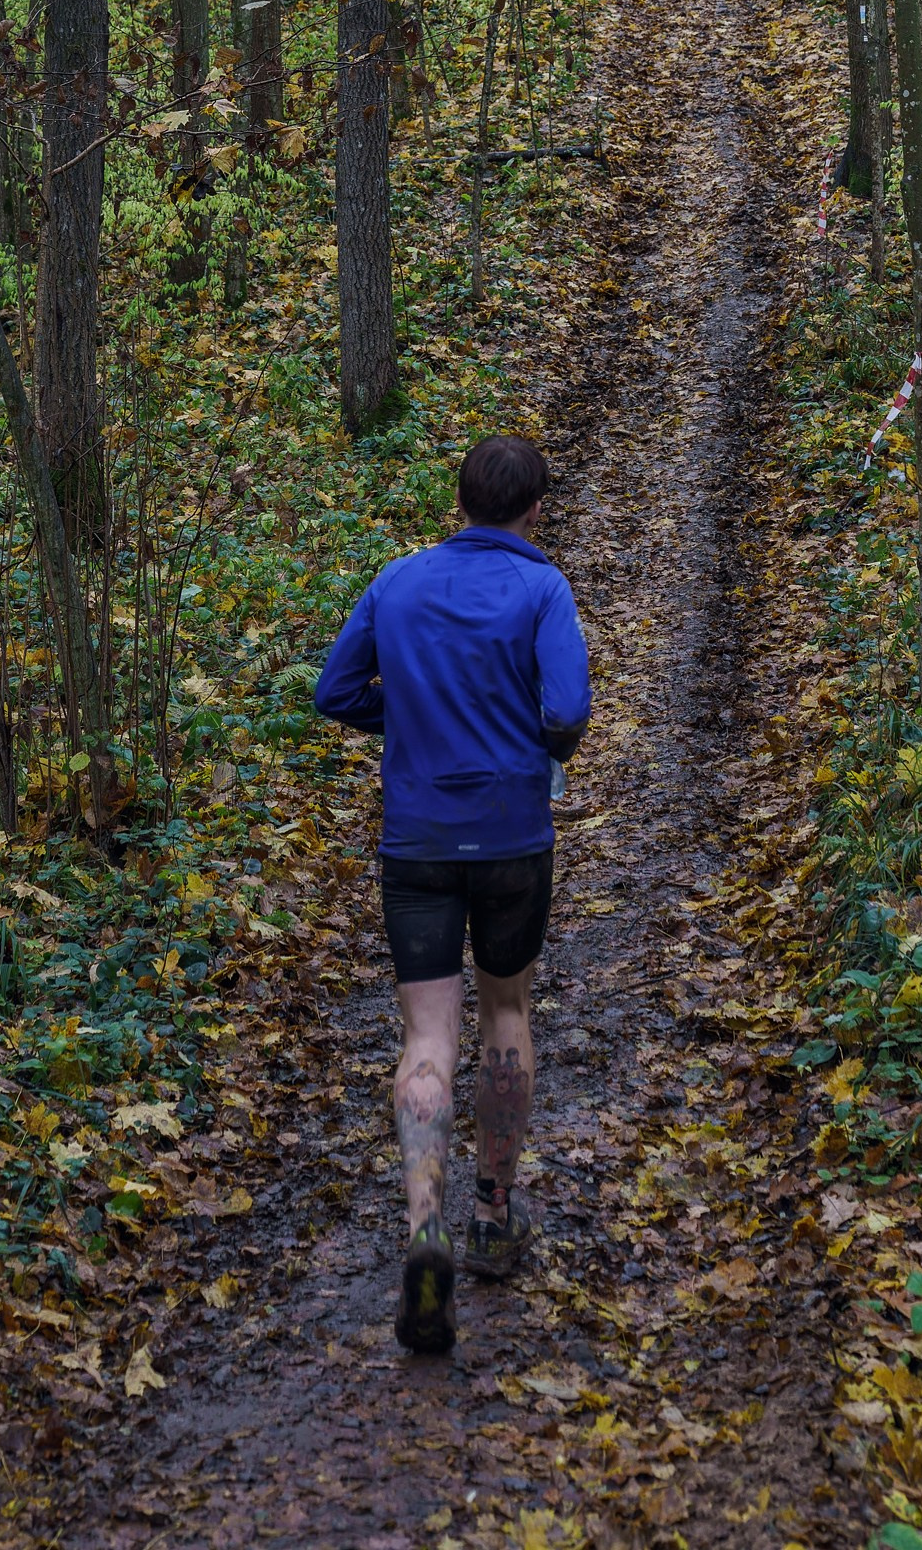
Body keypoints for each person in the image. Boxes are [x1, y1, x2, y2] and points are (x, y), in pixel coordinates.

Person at [313, 432, 592, 1354]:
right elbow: (568, 715)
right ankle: (493, 1215)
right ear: (536, 509)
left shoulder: (397, 581)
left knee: (427, 1033)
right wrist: (532, 743)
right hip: (513, 834)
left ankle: (422, 1225)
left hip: (419, 838)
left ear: (459, 502)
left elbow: (335, 690)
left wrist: (411, 718)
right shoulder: (544, 589)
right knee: (505, 1012)